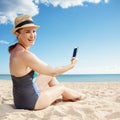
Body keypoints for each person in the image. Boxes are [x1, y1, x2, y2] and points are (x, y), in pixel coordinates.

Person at [9, 14, 84, 110]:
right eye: (27, 32)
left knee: (48, 76)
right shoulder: (24, 55)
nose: (32, 35)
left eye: (34, 31)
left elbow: (48, 72)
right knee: (61, 87)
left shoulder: (15, 50)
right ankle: (78, 96)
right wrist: (72, 65)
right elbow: (53, 71)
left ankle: (66, 95)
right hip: (32, 102)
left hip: (20, 100)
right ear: (17, 34)